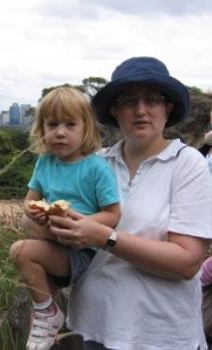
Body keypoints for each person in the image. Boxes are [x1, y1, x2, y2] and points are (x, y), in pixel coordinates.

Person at [47, 57, 212, 350]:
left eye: (152, 100)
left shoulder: (187, 165)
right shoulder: (93, 164)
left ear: (167, 107)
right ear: (115, 110)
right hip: (91, 329)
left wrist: (105, 237)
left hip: (162, 337)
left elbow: (187, 262)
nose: (141, 110)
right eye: (128, 101)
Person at [9, 86, 120, 350]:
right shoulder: (45, 162)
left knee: (20, 250)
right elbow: (29, 201)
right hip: (52, 243)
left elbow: (113, 214)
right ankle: (47, 317)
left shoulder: (96, 168)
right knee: (25, 257)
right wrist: (34, 211)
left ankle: (47, 315)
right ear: (42, 129)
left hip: (82, 251)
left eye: (70, 124)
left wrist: (84, 225)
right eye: (52, 124)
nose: (60, 132)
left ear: (86, 129)